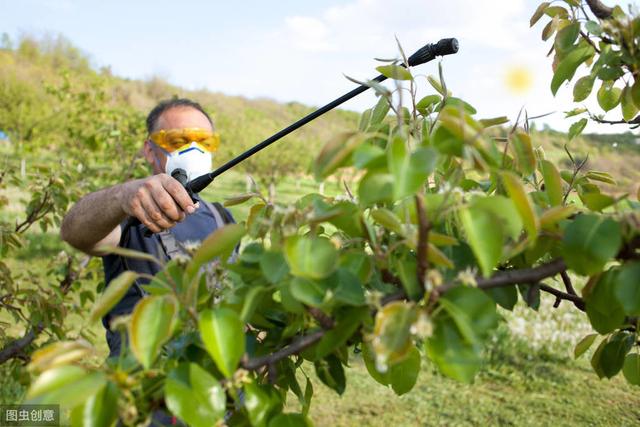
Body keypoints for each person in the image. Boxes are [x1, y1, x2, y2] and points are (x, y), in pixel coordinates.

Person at [60, 98, 235, 360]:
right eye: (178, 141)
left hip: (221, 380)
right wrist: (122, 197)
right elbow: (74, 232)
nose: (194, 150)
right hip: (146, 385)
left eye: (204, 142)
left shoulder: (222, 216)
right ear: (150, 150)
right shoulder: (128, 211)